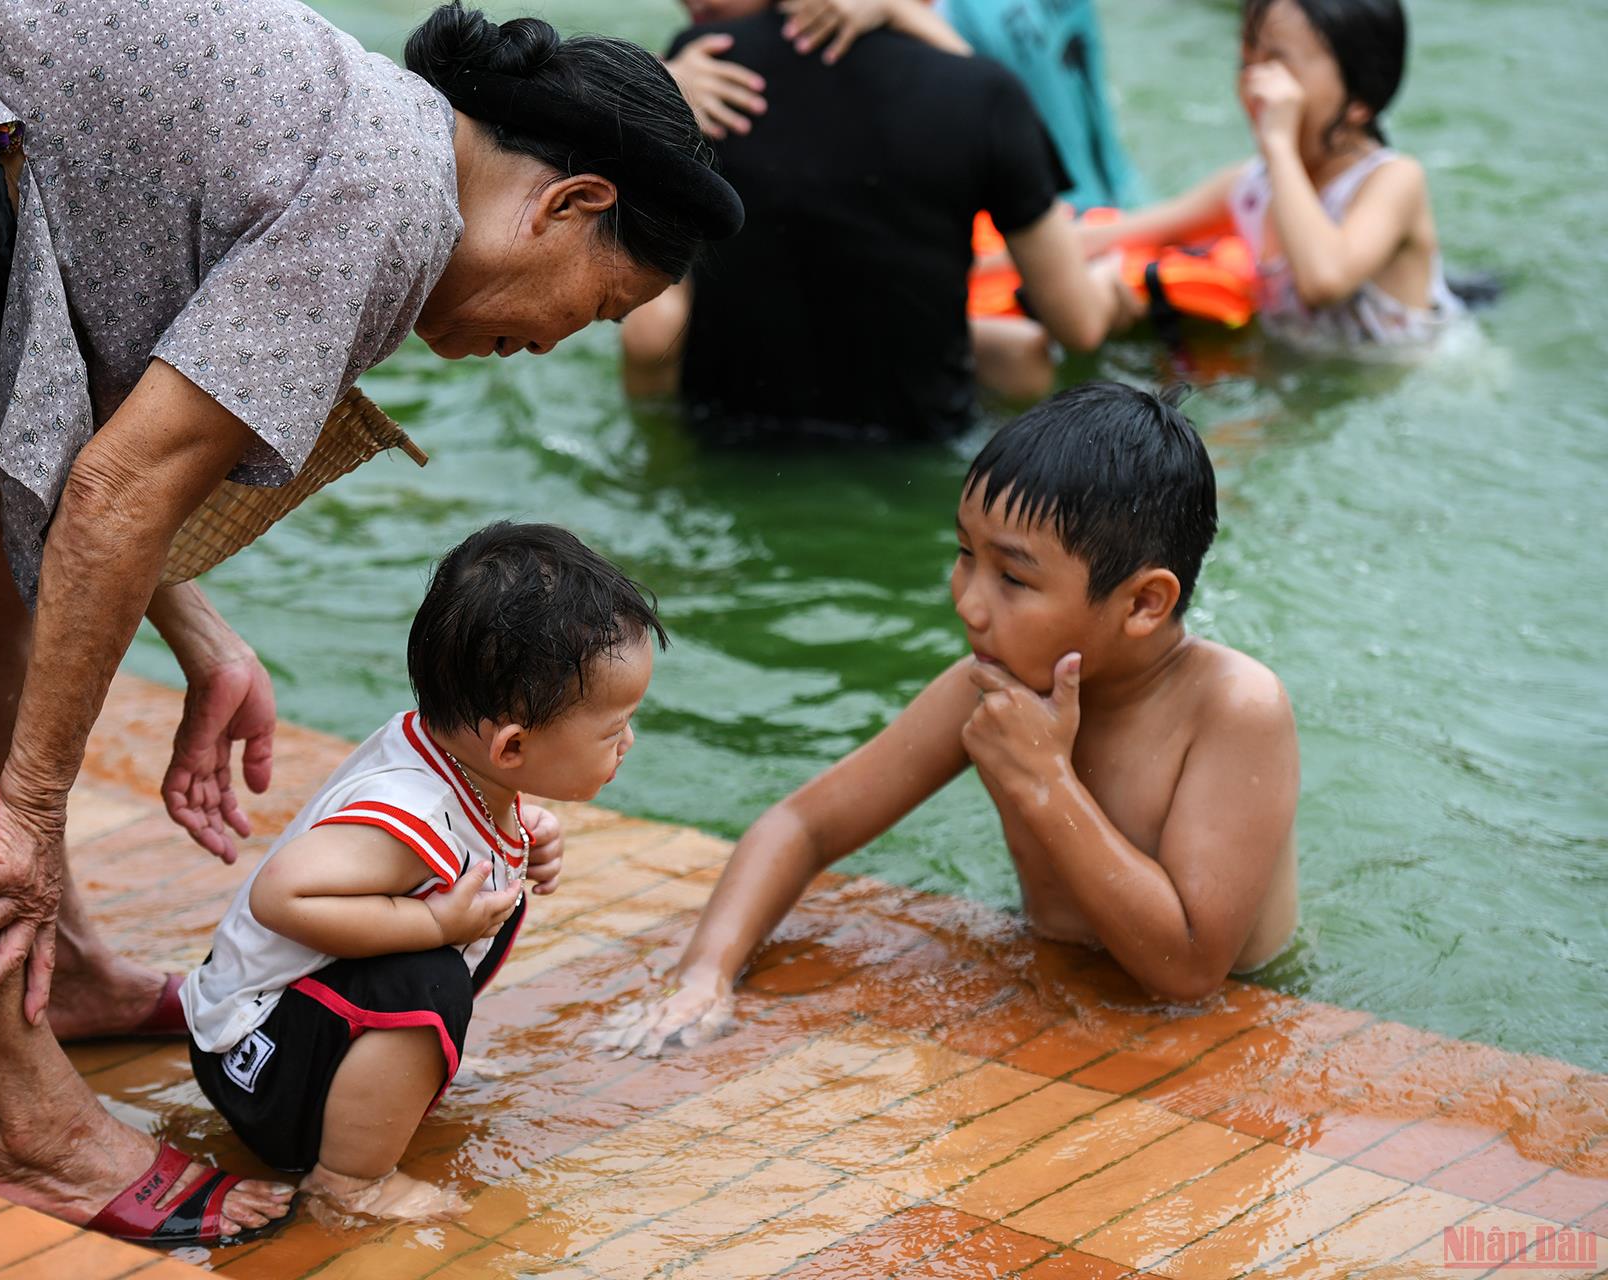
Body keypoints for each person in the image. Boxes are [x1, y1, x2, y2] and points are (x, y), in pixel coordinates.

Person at [0, 0, 737, 1247]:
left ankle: (64, 971)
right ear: (565, 205)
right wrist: (25, 811)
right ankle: (27, 1125)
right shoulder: (394, 205)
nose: (548, 345)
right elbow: (116, 492)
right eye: (596, 305)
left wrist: (204, 636)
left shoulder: (383, 153)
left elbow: (84, 460)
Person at [610, 383, 1300, 1056]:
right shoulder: (993, 688)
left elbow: (1188, 973)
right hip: (1059, 981)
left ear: (1145, 604)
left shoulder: (1232, 708)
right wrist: (704, 973)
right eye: (966, 554)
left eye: (1014, 580)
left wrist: (1044, 782)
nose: (969, 603)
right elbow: (803, 825)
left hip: (1242, 1013)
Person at [184, 522, 662, 1221]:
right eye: (613, 728)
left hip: (280, 1034)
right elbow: (279, 895)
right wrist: (435, 921)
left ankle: (390, 1076)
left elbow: (468, 823)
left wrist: (525, 832)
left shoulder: (451, 759)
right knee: (429, 978)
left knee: (481, 899)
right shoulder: (409, 817)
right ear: (513, 745)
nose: (629, 741)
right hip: (254, 1063)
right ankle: (348, 1180)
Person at [626, 0, 1135, 435]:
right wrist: (1115, 287)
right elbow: (1079, 326)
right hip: (919, 441)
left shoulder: (702, 68)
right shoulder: (984, 96)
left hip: (728, 437)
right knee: (1027, 357)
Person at [1078, 0, 1459, 353]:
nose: (1255, 84)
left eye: (1277, 66)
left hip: (1417, 378)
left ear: (1360, 100)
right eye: (1246, 63)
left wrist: (1279, 143)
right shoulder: (1249, 189)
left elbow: (1324, 280)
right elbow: (1126, 233)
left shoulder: (1394, 180)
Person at [673, 0, 1142, 211]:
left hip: (1069, 237)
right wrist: (663, 79)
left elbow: (1012, 126)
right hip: (1114, 202)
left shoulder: (963, 38)